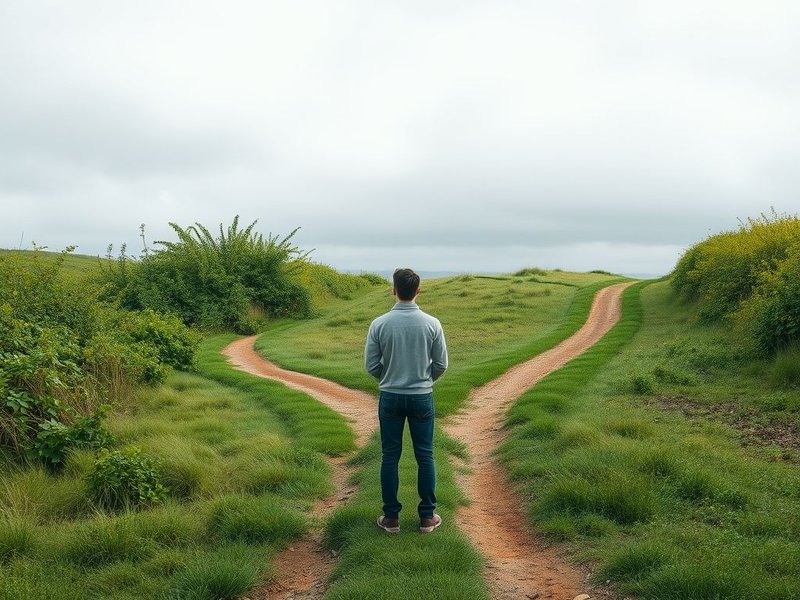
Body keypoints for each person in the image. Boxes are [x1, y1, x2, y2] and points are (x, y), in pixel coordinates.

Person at [364, 268, 448, 534]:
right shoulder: (432, 323)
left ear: (394, 290)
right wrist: (424, 380)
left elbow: (371, 365)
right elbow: (441, 364)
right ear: (418, 291)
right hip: (422, 396)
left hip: (390, 396)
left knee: (390, 455)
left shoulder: (380, 324)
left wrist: (388, 377)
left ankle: (391, 519)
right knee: (425, 455)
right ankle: (427, 518)